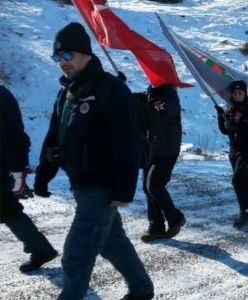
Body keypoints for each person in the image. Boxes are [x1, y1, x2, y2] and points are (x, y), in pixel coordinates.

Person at [33, 23, 153, 300]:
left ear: (86, 54)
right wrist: (43, 174)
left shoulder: (110, 89)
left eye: (67, 56)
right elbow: (54, 136)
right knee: (112, 243)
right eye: (57, 57)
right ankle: (142, 288)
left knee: (77, 252)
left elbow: (127, 142)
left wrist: (124, 188)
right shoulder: (68, 92)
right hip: (81, 182)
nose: (62, 63)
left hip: (103, 187)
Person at [1, 85, 58, 273]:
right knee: (9, 211)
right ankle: (41, 249)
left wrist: (18, 171)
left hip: (3, 166)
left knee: (9, 211)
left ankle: (41, 249)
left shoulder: (2, 97)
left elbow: (16, 137)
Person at [134, 84, 186, 241]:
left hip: (167, 150)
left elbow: (157, 113)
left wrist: (142, 104)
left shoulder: (170, 98)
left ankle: (175, 218)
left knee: (154, 186)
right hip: (152, 148)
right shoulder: (149, 94)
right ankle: (156, 226)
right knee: (146, 187)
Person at [215, 80, 248, 227]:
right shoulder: (230, 110)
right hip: (234, 150)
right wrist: (221, 117)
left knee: (237, 179)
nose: (237, 95)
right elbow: (225, 130)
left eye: (240, 93)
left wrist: (233, 125)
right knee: (243, 181)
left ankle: (244, 212)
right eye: (234, 93)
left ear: (245, 94)